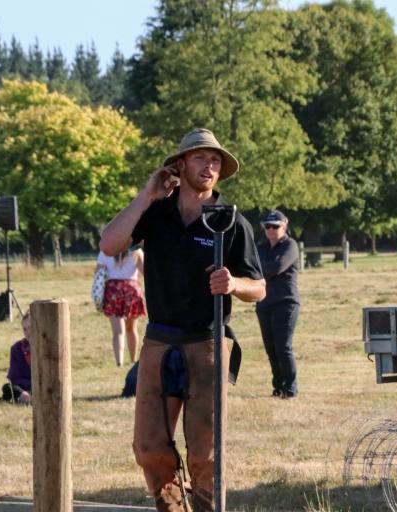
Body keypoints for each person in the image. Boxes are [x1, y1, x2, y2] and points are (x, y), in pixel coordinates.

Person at [99, 127, 265, 512]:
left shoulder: (231, 221)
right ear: (180, 165)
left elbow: (260, 288)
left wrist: (235, 283)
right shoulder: (155, 213)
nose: (209, 166)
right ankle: (173, 508)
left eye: (215, 161)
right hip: (158, 341)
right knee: (148, 446)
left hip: (207, 341)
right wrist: (146, 194)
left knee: (206, 453)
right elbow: (109, 243)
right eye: (200, 158)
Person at [255, 210, 300, 400]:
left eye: (275, 226)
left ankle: (290, 389)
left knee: (283, 347)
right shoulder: (261, 247)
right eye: (267, 226)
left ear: (285, 225)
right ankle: (278, 386)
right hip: (264, 302)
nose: (271, 229)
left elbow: (276, 267)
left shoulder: (290, 245)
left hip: (285, 303)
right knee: (271, 348)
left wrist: (258, 268)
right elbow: (251, 265)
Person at [96, 246, 146, 366]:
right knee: (132, 329)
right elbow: (144, 272)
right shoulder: (136, 252)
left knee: (118, 332)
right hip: (132, 290)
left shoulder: (106, 250)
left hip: (113, 291)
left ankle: (119, 362)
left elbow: (98, 272)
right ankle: (133, 360)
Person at [0, 312, 32, 405]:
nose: (27, 332)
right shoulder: (16, 348)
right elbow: (14, 378)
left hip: (43, 387)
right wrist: (25, 389)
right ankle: (25, 397)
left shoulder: (46, 347)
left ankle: (26, 398)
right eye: (25, 329)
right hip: (23, 387)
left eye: (30, 328)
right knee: (7, 387)